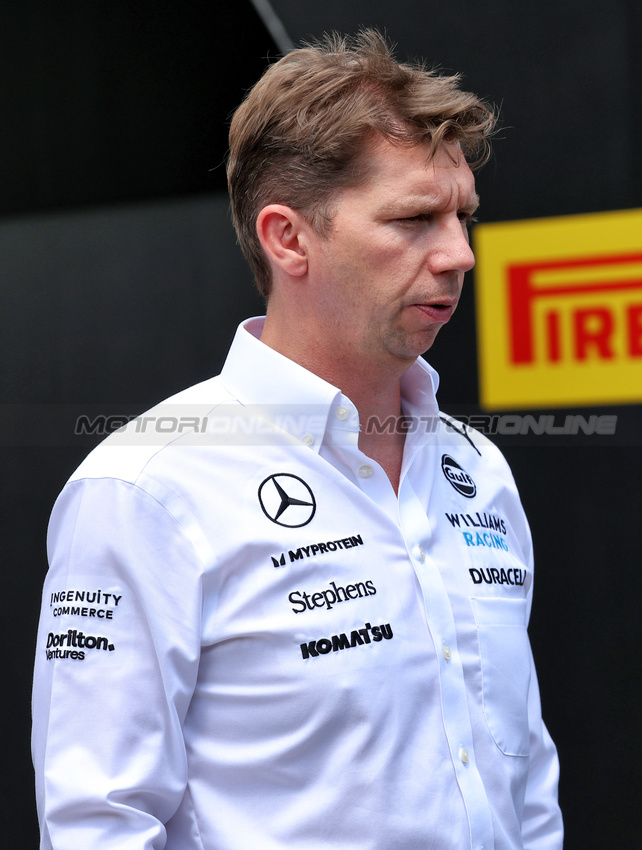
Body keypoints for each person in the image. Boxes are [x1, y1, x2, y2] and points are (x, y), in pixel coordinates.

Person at [32, 31, 562, 850]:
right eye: (415, 219)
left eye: (464, 217)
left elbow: (521, 775)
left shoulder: (474, 467)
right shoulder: (144, 488)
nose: (459, 254)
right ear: (288, 238)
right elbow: (99, 821)